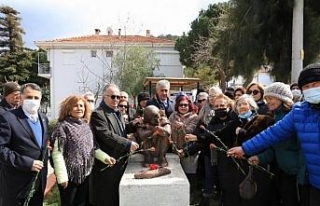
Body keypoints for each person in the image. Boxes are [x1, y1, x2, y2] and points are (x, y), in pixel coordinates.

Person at [227, 63, 320, 206]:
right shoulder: (299, 112)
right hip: (313, 182)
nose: (311, 89)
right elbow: (273, 134)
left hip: (298, 174)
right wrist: (245, 148)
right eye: (306, 87)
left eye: (315, 84)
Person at [247, 82, 307, 206]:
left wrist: (301, 175)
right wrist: (260, 158)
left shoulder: (293, 117)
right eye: (266, 99)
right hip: (283, 172)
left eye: (271, 98)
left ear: (282, 98)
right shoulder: (274, 117)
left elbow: (303, 149)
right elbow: (276, 148)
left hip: (297, 176)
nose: (267, 101)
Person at [51, 95, 116, 206]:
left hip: (86, 174)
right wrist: (62, 177)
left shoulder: (87, 126)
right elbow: (57, 153)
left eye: (81, 106)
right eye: (75, 106)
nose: (79, 108)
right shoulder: (62, 127)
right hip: (69, 177)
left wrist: (105, 157)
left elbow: (93, 149)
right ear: (68, 108)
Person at [90, 84, 140, 206]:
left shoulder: (116, 112)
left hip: (119, 162)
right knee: (107, 197)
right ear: (104, 97)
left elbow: (120, 131)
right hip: (108, 164)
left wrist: (133, 125)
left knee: (117, 196)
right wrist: (127, 144)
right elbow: (107, 135)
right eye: (113, 96)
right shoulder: (98, 114)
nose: (117, 100)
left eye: (118, 97)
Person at [0, 83, 48, 206]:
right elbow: (2, 149)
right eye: (29, 97)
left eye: (36, 98)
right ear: (21, 98)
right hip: (16, 184)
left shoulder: (43, 118)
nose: (33, 101)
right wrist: (27, 163)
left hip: (38, 182)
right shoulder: (8, 118)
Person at [168, 95, 199, 203]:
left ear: (189, 105)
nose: (183, 107)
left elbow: (190, 131)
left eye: (186, 105)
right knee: (176, 175)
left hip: (189, 152)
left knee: (189, 174)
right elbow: (168, 129)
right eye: (181, 104)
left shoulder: (195, 117)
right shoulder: (172, 115)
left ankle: (190, 197)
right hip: (174, 150)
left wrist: (182, 126)